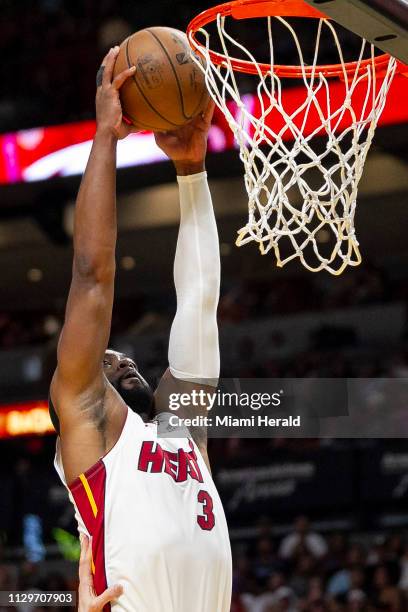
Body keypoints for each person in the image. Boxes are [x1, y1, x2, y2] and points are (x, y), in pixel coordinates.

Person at [49, 46, 232, 611]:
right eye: (108, 360)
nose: (122, 360)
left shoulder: (180, 433)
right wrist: (105, 136)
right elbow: (92, 277)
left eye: (121, 356)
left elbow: (199, 301)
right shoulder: (94, 427)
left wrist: (191, 169)